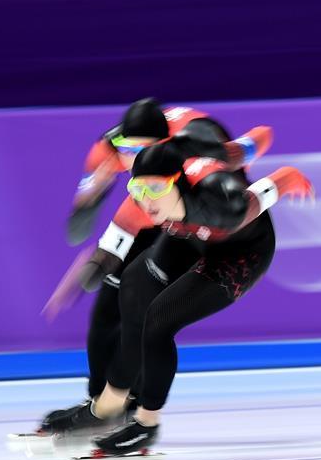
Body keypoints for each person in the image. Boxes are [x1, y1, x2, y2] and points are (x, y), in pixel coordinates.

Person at [48, 141, 313, 455]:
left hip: (240, 253)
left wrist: (292, 176)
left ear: (179, 181)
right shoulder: (143, 203)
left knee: (159, 320)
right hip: (188, 236)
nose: (146, 201)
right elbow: (111, 247)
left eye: (156, 188)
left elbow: (275, 183)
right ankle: (107, 407)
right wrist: (89, 273)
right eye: (138, 189)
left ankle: (147, 425)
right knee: (133, 285)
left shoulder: (224, 201)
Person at [37, 98, 273, 434]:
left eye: (140, 151)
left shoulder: (198, 144)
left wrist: (248, 160)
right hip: (167, 215)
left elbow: (259, 140)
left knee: (149, 312)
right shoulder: (111, 149)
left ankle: (135, 406)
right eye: (126, 152)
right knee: (116, 297)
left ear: (165, 148)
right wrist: (90, 208)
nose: (130, 159)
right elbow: (86, 223)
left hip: (206, 223)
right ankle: (104, 401)